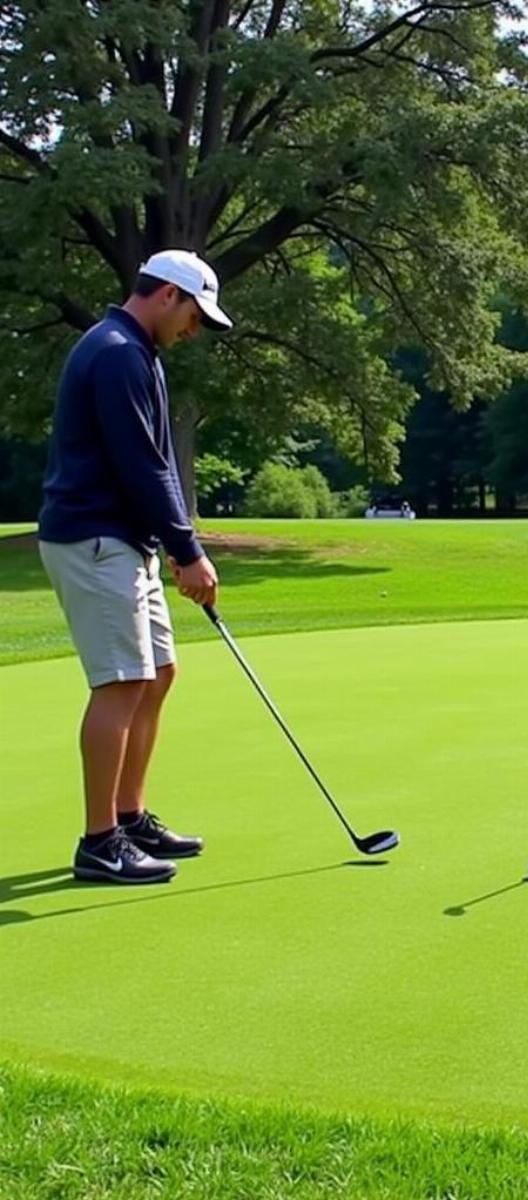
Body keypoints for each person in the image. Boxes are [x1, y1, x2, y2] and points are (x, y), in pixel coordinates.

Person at [38, 249, 233, 885]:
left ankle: (131, 813)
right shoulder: (117, 352)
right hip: (95, 539)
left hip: (123, 540)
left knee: (159, 672)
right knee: (120, 682)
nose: (194, 330)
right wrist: (188, 550)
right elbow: (141, 464)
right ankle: (100, 841)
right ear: (168, 295)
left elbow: (158, 466)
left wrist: (172, 544)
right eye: (194, 315)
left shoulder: (134, 351)